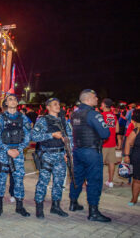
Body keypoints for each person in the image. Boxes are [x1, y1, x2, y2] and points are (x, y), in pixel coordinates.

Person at [69, 89, 111, 222]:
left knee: (77, 177)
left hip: (77, 150)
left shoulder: (74, 114)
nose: (97, 99)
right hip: (91, 152)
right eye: (95, 97)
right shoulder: (93, 114)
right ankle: (93, 212)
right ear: (88, 99)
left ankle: (73, 203)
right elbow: (105, 134)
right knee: (94, 181)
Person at [32, 98, 72, 219]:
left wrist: (68, 152)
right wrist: (52, 135)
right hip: (47, 155)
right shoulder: (43, 120)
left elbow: (69, 136)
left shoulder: (63, 120)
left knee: (59, 182)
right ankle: (39, 207)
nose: (58, 106)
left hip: (60, 155)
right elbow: (34, 136)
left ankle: (56, 206)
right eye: (55, 104)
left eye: (59, 104)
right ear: (48, 107)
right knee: (43, 183)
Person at [0, 94, 31, 217]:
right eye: (10, 99)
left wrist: (19, 150)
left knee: (19, 179)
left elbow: (27, 136)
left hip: (18, 154)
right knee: (1, 180)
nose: (13, 101)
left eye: (15, 99)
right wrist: (7, 150)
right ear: (6, 103)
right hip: (4, 153)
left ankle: (19, 207)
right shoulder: (0, 118)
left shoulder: (23, 118)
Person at [101, 98, 119, 187]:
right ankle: (110, 181)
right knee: (111, 162)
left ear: (104, 105)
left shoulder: (101, 115)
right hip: (112, 142)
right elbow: (117, 130)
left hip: (103, 143)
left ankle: (97, 181)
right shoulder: (114, 116)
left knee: (99, 163)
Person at [124, 109, 140, 206]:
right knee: (137, 179)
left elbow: (128, 143)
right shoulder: (136, 130)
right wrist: (126, 156)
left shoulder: (136, 130)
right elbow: (128, 143)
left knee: (137, 179)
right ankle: (134, 199)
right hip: (138, 156)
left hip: (137, 155)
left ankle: (134, 199)